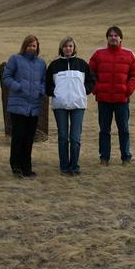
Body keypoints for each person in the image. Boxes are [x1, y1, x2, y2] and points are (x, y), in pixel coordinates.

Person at [89, 26, 135, 165]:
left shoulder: (129, 55)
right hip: (103, 100)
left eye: (116, 35)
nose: (113, 37)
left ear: (120, 38)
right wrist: (96, 89)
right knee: (104, 130)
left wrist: (127, 90)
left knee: (123, 129)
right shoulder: (98, 55)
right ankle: (104, 157)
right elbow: (90, 74)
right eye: (110, 35)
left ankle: (126, 157)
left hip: (122, 100)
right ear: (107, 38)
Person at [46, 36, 95, 175]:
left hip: (78, 105)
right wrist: (53, 92)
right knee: (62, 136)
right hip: (59, 105)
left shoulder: (81, 64)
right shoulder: (54, 65)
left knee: (75, 138)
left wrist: (84, 91)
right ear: (61, 48)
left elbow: (92, 79)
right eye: (65, 46)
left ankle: (74, 167)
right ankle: (63, 167)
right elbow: (47, 83)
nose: (68, 48)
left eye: (70, 46)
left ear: (74, 48)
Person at [2, 35, 47, 178]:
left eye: (34, 46)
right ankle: (16, 166)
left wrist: (42, 90)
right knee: (18, 137)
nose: (32, 48)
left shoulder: (41, 63)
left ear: (37, 47)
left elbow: (44, 81)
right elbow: (6, 77)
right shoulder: (15, 59)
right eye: (29, 45)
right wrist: (18, 86)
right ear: (24, 46)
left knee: (29, 138)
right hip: (18, 105)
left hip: (34, 106)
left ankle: (27, 166)